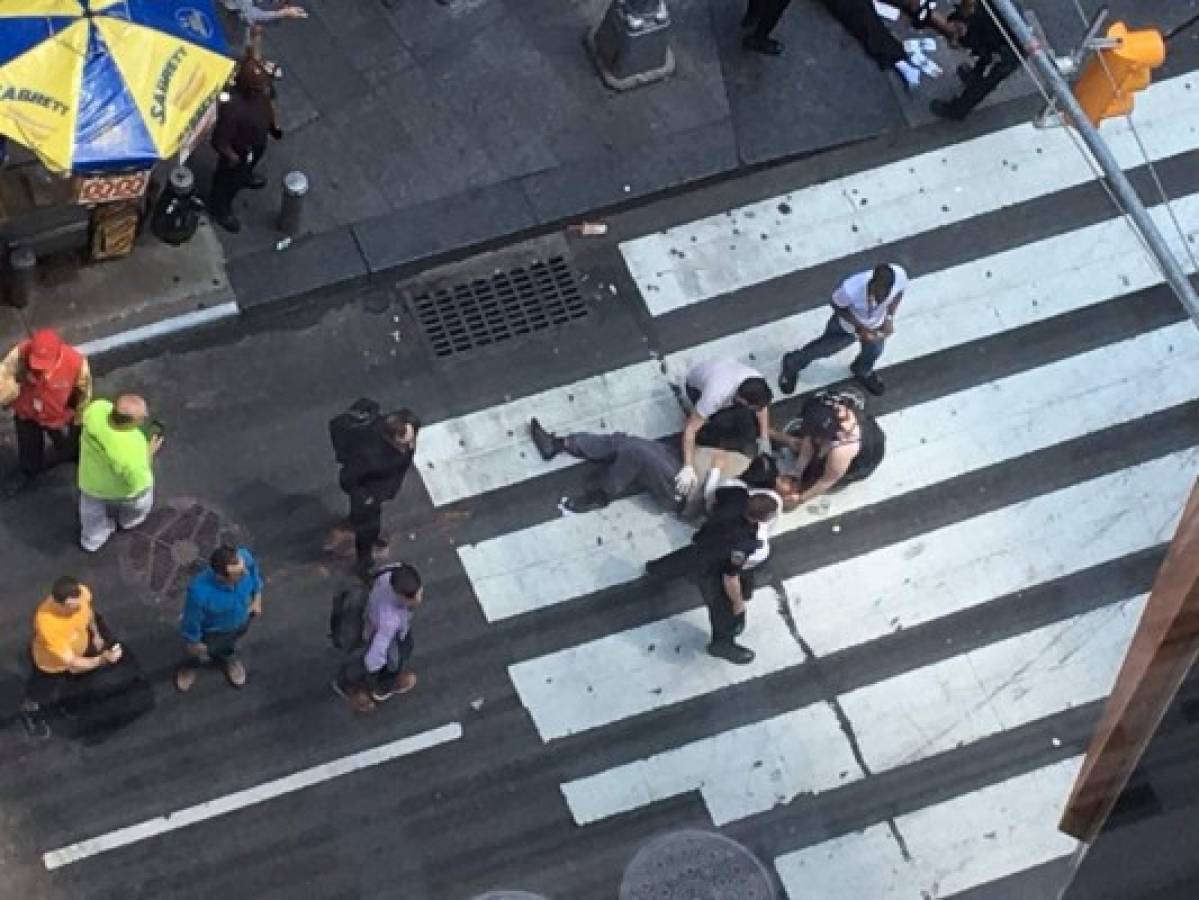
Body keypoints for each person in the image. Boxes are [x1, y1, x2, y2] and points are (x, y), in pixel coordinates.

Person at [778, 263, 908, 398]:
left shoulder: (898, 275)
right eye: (878, 293)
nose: (881, 298)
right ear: (872, 283)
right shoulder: (850, 289)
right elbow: (836, 304)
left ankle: (862, 370)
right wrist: (859, 328)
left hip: (876, 325)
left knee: (874, 351)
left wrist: (889, 318)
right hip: (846, 327)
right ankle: (792, 363)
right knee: (824, 349)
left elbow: (899, 293)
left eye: (886, 294)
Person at [19, 577, 123, 739]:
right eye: (72, 606)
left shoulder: (81, 594)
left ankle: (67, 703)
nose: (77, 608)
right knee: (39, 691)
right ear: (59, 603)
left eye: (78, 602)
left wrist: (95, 634)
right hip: (51, 664)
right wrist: (103, 659)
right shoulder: (48, 624)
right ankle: (30, 710)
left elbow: (89, 613)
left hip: (80, 649)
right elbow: (72, 663)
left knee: (80, 679)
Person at [328, 402, 421, 575]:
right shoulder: (370, 456)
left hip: (378, 490)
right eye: (404, 443)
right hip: (367, 493)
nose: (409, 447)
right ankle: (364, 561)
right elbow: (349, 477)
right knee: (367, 525)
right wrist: (364, 497)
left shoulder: (392, 430)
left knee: (369, 517)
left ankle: (355, 522)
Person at [0, 329, 92, 497]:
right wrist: (9, 391)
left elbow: (84, 393)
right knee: (28, 447)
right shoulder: (20, 354)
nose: (38, 368)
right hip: (27, 414)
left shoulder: (76, 363)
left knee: (68, 444)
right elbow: (2, 375)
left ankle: (76, 458)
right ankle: (29, 471)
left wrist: (79, 419)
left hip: (59, 417)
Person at [529, 421, 683, 513]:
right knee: (628, 444)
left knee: (639, 455)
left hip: (690, 494)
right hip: (691, 463)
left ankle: (602, 493)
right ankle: (560, 444)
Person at [332, 564, 423, 712]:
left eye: (418, 592)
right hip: (379, 634)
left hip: (370, 620)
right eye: (410, 597)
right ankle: (381, 687)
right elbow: (373, 659)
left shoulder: (389, 575)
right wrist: (375, 666)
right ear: (398, 595)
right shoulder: (388, 621)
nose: (418, 599)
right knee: (395, 659)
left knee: (403, 648)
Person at [77, 394, 162, 553]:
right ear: (132, 422)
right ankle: (129, 521)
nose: (145, 418)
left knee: (91, 510)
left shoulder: (97, 409)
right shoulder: (133, 449)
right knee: (141, 500)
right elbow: (140, 482)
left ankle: (93, 539)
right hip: (115, 488)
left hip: (89, 479)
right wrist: (149, 453)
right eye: (142, 417)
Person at [677, 358, 773, 498]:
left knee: (747, 421)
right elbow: (690, 429)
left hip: (718, 372)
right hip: (695, 387)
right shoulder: (715, 396)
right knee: (716, 425)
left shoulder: (756, 381)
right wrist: (688, 466)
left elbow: (762, 408)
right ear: (742, 400)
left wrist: (764, 438)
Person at [207, 58, 281, 233]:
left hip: (256, 142)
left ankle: (246, 176)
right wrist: (233, 157)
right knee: (228, 182)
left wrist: (272, 125)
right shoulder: (232, 109)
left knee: (249, 165)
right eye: (257, 88)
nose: (261, 90)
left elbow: (268, 105)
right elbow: (219, 141)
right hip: (240, 150)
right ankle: (220, 209)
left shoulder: (261, 92)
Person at [176, 545, 264, 691]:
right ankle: (191, 665)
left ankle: (229, 658)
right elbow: (191, 620)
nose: (245, 573)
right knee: (199, 652)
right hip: (213, 631)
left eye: (243, 568)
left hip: (242, 620)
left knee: (229, 645)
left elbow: (254, 572)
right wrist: (193, 642)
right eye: (239, 574)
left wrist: (257, 598)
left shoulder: (244, 558)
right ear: (221, 577)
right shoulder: (199, 593)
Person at [774, 388, 886, 504]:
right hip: (833, 442)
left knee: (815, 477)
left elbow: (827, 480)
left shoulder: (842, 450)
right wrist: (797, 471)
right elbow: (810, 438)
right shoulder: (832, 408)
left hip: (861, 461)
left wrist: (801, 498)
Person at [930, 0, 1020, 121]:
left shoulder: (978, 22)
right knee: (984, 60)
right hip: (998, 36)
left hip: (1008, 48)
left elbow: (977, 42)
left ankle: (958, 110)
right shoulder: (978, 13)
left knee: (985, 82)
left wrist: (957, 37)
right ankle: (975, 77)